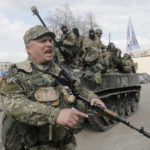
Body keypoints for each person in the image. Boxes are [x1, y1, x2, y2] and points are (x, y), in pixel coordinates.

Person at [0, 25, 105, 150]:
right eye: (43, 41)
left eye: (50, 40)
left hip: (65, 145)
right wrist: (55, 114)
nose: (49, 44)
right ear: (29, 48)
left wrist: (93, 97)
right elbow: (13, 104)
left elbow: (79, 89)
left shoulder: (60, 71)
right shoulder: (18, 73)